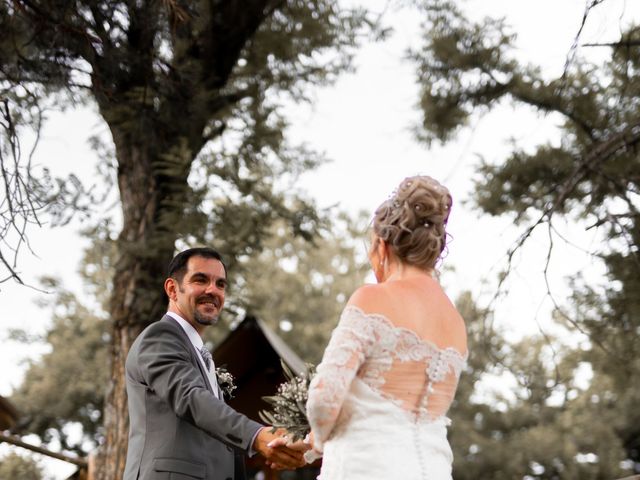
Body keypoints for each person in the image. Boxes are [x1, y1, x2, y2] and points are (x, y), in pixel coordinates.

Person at [305, 176, 468, 479]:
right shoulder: (455, 323)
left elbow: (324, 402)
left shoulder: (373, 299)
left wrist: (317, 438)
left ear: (383, 244)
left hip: (367, 468)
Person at [123, 247, 305, 480]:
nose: (213, 290)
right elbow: (191, 398)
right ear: (172, 289)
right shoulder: (160, 336)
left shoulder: (201, 354)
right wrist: (256, 436)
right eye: (201, 280)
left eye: (220, 284)